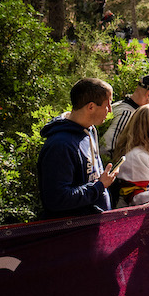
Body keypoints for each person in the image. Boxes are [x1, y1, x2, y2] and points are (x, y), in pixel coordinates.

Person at [39, 79, 119, 217]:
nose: (110, 110)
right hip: (75, 232)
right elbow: (57, 199)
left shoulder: (90, 130)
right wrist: (99, 186)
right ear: (91, 107)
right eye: (108, 105)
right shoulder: (60, 145)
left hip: (94, 225)